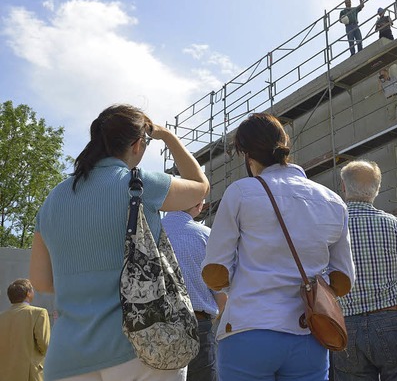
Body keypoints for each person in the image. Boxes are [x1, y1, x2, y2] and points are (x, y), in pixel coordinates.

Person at [29, 104, 210, 381]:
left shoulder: (53, 199)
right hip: (139, 347)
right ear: (138, 144)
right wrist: (168, 137)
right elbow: (200, 186)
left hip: (67, 355)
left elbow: (40, 282)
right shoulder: (140, 185)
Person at [201, 112, 355, 381]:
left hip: (249, 327)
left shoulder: (241, 191)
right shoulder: (333, 201)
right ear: (286, 144)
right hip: (310, 332)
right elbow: (342, 280)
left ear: (246, 155)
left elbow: (216, 271)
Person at [332, 160, 397, 381]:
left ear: (344, 187)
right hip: (391, 319)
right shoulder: (395, 225)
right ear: (377, 189)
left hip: (346, 325)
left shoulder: (331, 227)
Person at [163, 201, 227, 381]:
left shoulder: (147, 233)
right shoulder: (206, 236)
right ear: (199, 205)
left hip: (154, 327)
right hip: (198, 323)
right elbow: (222, 298)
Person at [0, 279, 50, 381]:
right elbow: (45, 345)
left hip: (5, 374)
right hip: (30, 374)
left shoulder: (2, 316)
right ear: (28, 293)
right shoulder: (39, 313)